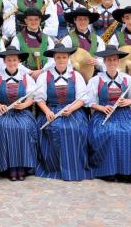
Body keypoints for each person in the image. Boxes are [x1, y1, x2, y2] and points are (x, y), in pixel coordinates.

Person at [85, 46, 131, 183]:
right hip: (103, 114)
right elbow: (89, 102)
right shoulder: (96, 80)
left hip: (125, 114)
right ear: (104, 62)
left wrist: (128, 101)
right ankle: (109, 171)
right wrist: (101, 107)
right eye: (109, 60)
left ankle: (129, 172)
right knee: (110, 133)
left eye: (114, 60)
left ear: (118, 61)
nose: (112, 63)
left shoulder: (127, 79)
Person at [34, 43, 92, 181]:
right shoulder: (45, 76)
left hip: (73, 111)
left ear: (68, 59)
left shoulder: (76, 76)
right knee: (52, 128)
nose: (61, 60)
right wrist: (47, 111)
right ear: (54, 59)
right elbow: (39, 98)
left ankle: (74, 168)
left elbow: (82, 98)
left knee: (75, 129)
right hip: (51, 110)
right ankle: (53, 167)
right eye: (58, 57)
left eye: (64, 57)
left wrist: (71, 108)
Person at [0, 47, 39, 181]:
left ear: (19, 61)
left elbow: (31, 97)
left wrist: (24, 105)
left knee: (24, 127)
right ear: (4, 61)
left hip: (22, 112)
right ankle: (10, 168)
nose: (12, 62)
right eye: (9, 60)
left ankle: (22, 167)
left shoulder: (25, 78)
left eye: (14, 60)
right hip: (4, 112)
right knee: (5, 128)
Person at [10, 8, 56, 77]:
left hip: (44, 75)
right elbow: (13, 60)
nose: (33, 22)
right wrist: (29, 72)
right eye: (30, 19)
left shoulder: (48, 39)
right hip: (23, 76)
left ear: (40, 20)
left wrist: (41, 71)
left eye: (36, 19)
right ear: (25, 20)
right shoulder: (17, 39)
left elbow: (52, 60)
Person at [61, 7, 106, 72]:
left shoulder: (98, 40)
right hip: (73, 75)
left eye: (85, 19)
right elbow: (62, 59)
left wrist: (97, 62)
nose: (82, 22)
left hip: (94, 75)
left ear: (89, 21)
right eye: (80, 19)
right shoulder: (67, 39)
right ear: (75, 20)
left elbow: (103, 60)